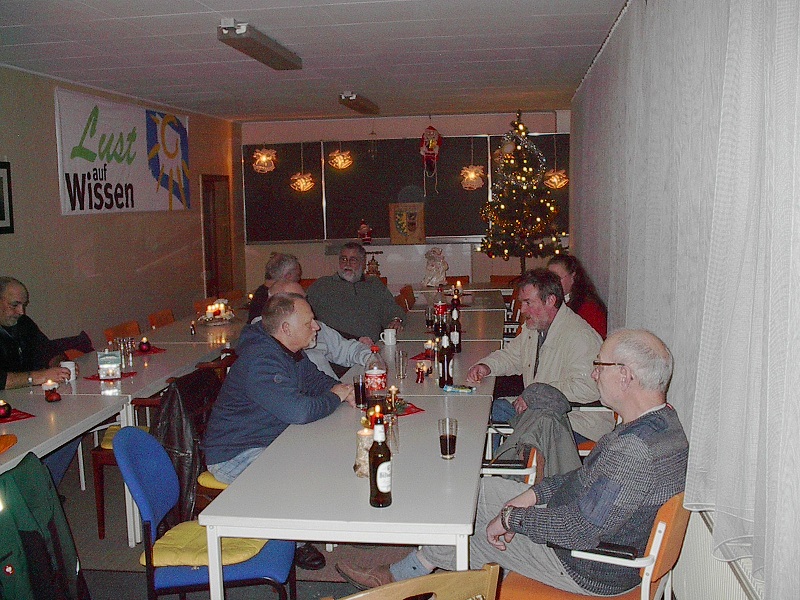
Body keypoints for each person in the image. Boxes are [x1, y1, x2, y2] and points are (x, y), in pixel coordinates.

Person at [336, 330, 689, 596]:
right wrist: (533, 494)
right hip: (591, 541)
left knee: (465, 532)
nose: (594, 374)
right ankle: (408, 571)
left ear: (625, 375)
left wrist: (512, 518)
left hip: (588, 566)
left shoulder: (635, 450)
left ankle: (398, 581)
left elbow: (578, 530)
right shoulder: (662, 423)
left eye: (600, 365)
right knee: (475, 492)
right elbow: (584, 480)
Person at [203, 292, 356, 571]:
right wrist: (335, 396)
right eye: (310, 322)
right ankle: (290, 540)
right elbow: (298, 412)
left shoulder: (288, 352)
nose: (317, 326)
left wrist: (344, 393)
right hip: (235, 453)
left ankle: (306, 523)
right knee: (305, 472)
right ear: (286, 329)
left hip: (270, 438)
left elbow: (315, 380)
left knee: (330, 451)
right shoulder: (261, 361)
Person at [468, 269, 612, 444]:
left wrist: (536, 395)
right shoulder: (534, 327)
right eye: (522, 303)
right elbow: (512, 356)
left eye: (528, 303)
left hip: (577, 422)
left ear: (550, 300)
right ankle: (502, 465)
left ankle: (509, 468)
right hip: (544, 412)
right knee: (497, 409)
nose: (522, 310)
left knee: (507, 420)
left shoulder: (579, 336)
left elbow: (588, 387)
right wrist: (486, 366)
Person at [0, 277, 78, 486]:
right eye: (14, 305)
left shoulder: (23, 323)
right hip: (5, 407)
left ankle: (43, 490)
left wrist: (60, 363)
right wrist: (37, 376)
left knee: (73, 426)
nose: (21, 312)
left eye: (23, 305)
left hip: (28, 399)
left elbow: (48, 349)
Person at [266, 280, 372, 380]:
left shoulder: (316, 326)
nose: (306, 304)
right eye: (298, 299)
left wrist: (370, 358)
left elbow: (347, 349)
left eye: (305, 298)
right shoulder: (264, 339)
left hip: (335, 392)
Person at [307, 242, 405, 342]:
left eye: (353, 260)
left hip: (373, 347)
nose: (347, 264)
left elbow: (391, 308)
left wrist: (396, 320)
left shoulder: (374, 284)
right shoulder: (322, 285)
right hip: (336, 349)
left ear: (363, 263)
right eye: (343, 259)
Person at [547, 255, 607, 338]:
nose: (552, 283)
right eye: (549, 279)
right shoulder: (553, 302)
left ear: (573, 277)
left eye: (557, 278)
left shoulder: (589, 307)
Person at [248, 252, 302, 324]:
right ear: (288, 276)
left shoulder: (259, 294)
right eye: (297, 275)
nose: (299, 279)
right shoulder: (278, 300)